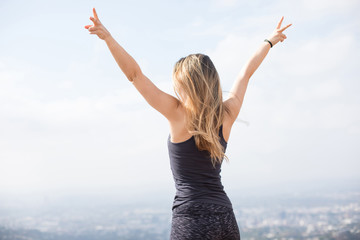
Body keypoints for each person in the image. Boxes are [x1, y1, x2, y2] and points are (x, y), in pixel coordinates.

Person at [85, 8, 291, 240]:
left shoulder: (176, 112)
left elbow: (135, 75)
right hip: (225, 217)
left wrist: (108, 39)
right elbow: (245, 74)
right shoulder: (227, 113)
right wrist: (269, 41)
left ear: (185, 85)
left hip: (192, 218)